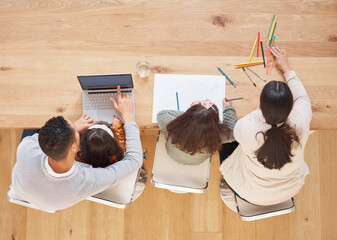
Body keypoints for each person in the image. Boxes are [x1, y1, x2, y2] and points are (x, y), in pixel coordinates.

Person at [11, 86, 143, 211]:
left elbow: (39, 138)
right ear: (74, 148)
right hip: (49, 200)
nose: (77, 126)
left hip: (25, 189)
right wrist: (128, 116)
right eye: (75, 129)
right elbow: (134, 160)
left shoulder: (26, 148)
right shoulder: (86, 181)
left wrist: (72, 130)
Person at [219, 47, 312, 210]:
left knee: (227, 138)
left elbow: (233, 131)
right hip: (290, 190)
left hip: (249, 192)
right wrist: (286, 69)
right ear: (291, 108)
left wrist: (229, 109)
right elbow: (302, 97)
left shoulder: (247, 127)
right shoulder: (301, 123)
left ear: (260, 106)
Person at [157, 99, 237, 165]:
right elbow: (232, 133)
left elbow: (161, 114)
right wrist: (228, 107)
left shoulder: (175, 126)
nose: (200, 101)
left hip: (173, 154)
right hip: (197, 162)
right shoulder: (218, 135)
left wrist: (190, 115)